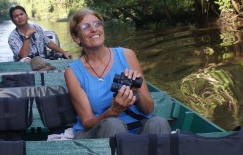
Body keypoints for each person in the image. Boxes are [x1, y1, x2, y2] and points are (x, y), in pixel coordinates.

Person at [64, 8, 171, 139]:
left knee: (159, 123)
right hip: (99, 131)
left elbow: (149, 109)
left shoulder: (127, 55)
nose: (94, 29)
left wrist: (136, 92)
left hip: (136, 126)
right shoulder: (73, 72)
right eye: (86, 26)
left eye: (97, 23)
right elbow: (87, 122)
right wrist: (113, 111)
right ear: (76, 38)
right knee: (113, 124)